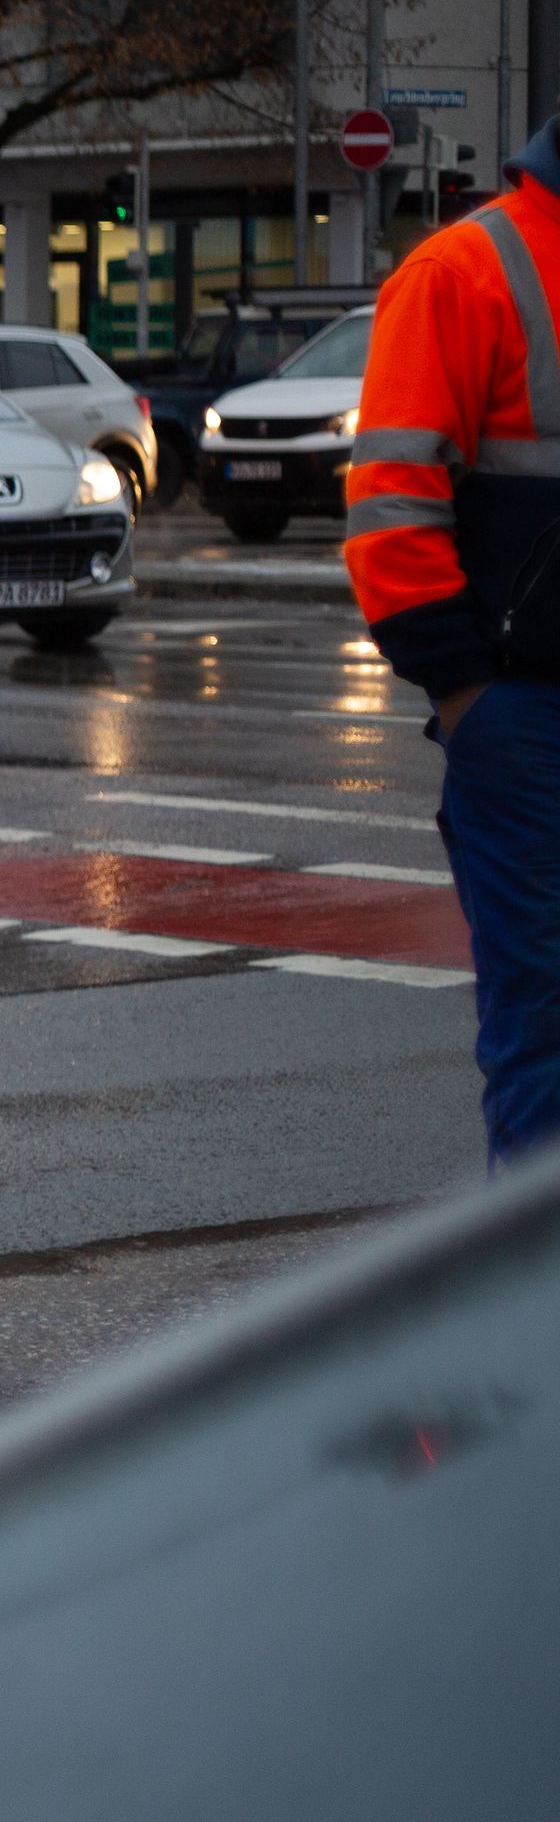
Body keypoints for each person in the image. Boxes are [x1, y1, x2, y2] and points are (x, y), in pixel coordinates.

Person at [345, 123, 560, 1160]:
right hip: (526, 713)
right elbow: (390, 508)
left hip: (517, 707)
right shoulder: (465, 269)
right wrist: (464, 689)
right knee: (548, 1026)